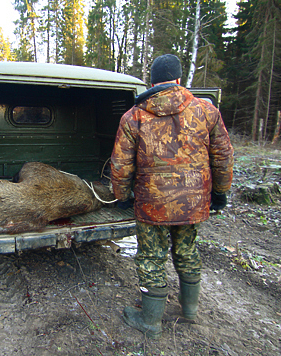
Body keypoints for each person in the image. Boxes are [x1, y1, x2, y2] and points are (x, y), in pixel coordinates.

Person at [111, 54, 234, 339]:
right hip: (193, 202)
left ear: (152, 81)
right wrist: (221, 193)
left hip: (152, 205)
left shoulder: (134, 116)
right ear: (179, 80)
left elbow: (120, 164)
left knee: (152, 258)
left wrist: (122, 196)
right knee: (188, 251)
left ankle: (150, 322)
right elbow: (223, 156)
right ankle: (189, 312)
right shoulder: (206, 111)